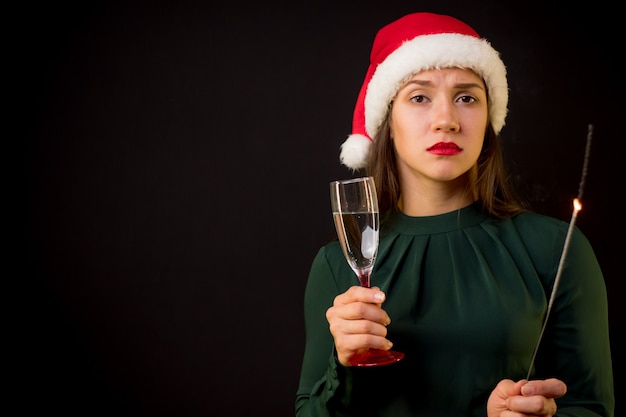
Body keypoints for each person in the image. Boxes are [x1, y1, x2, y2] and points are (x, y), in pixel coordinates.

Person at [295, 12, 614, 417]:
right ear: (387, 122)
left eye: (466, 97)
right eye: (419, 97)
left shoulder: (556, 250)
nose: (446, 120)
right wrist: (344, 365)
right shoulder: (336, 264)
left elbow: (592, 407)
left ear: (488, 119)